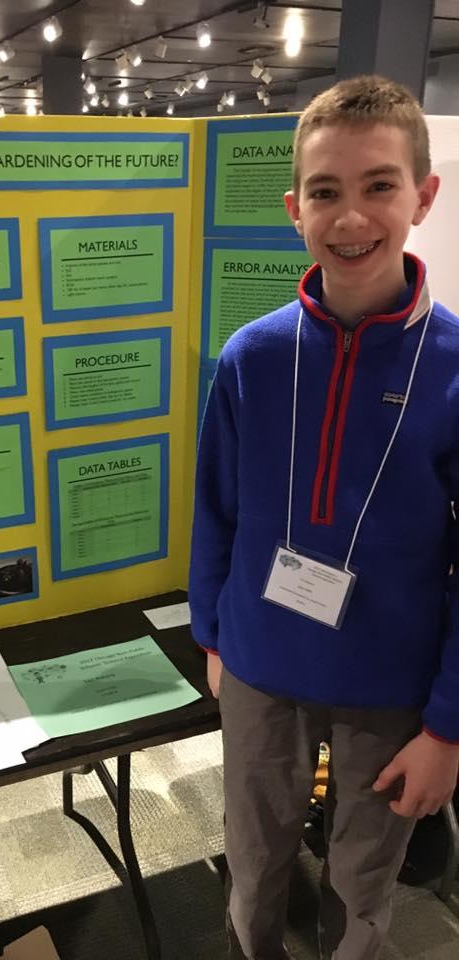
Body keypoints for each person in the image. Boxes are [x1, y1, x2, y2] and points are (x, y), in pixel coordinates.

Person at [189, 74, 459, 960]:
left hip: (391, 682)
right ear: (294, 209)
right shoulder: (252, 357)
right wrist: (213, 637)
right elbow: (216, 510)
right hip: (261, 664)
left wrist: (448, 727)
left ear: (423, 196)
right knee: (253, 862)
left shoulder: (453, 366)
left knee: (361, 882)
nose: (350, 218)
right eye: (325, 192)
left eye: (379, 185)